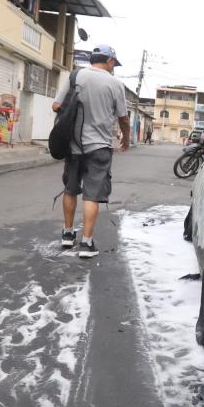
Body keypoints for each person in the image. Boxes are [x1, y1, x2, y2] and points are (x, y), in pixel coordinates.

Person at [52, 43, 129, 258]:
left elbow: (56, 106)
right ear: (110, 61)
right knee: (91, 196)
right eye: (114, 63)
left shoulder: (75, 76)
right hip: (100, 147)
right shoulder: (115, 84)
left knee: (70, 189)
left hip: (73, 145)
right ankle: (86, 244)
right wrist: (126, 140)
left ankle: (67, 235)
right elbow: (123, 117)